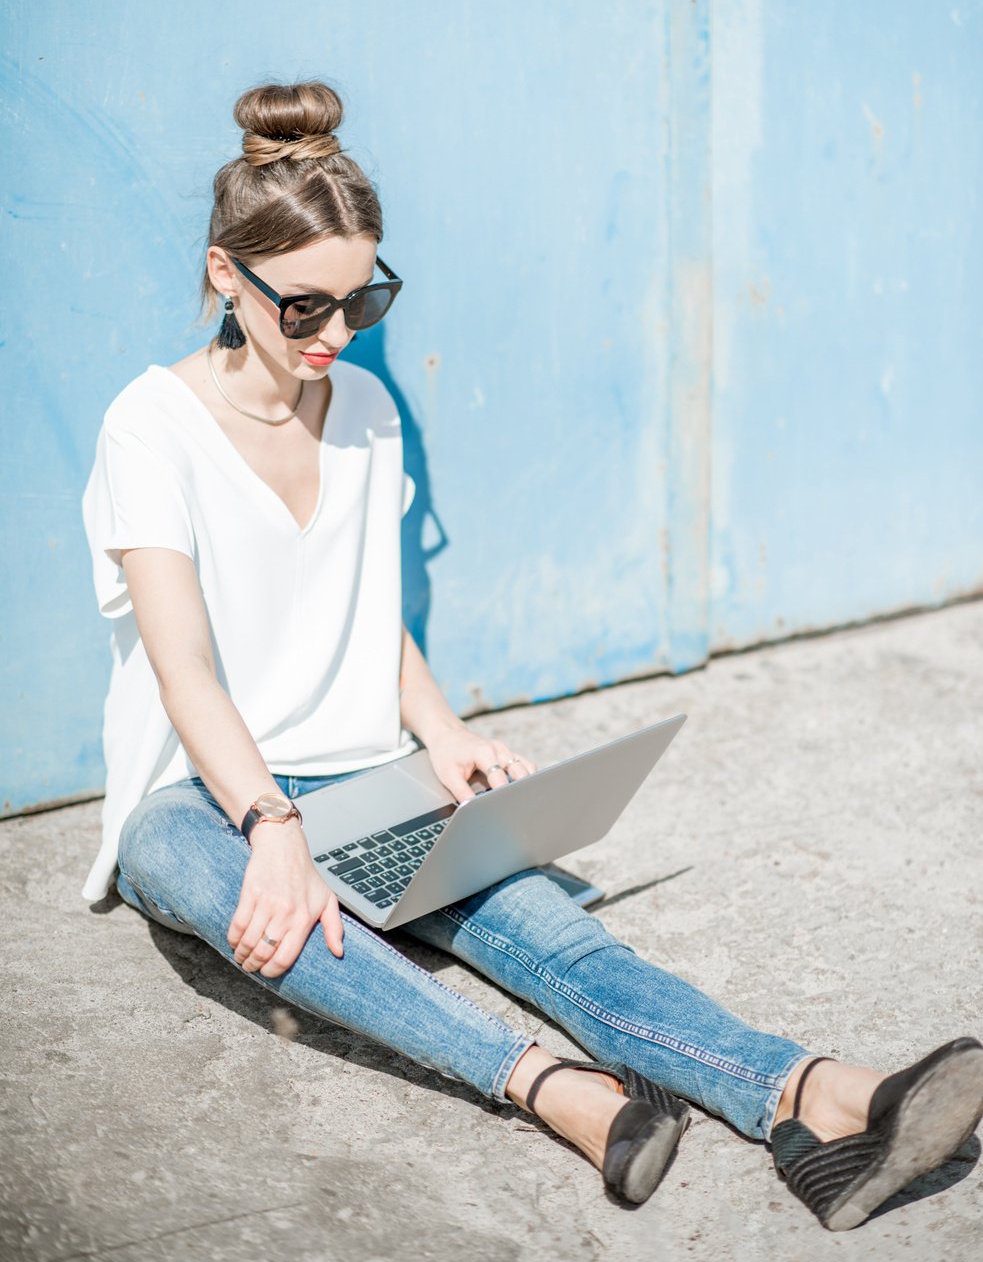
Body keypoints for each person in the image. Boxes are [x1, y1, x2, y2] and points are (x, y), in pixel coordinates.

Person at [81, 81, 983, 1230]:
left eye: (364, 300)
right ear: (225, 276)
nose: (336, 335)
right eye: (303, 307)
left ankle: (817, 1097)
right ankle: (559, 1091)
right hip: (211, 796)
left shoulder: (360, 406)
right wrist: (271, 827)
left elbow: (365, 611)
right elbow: (184, 667)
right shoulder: (148, 425)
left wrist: (443, 732)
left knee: (558, 935)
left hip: (362, 770)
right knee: (224, 880)